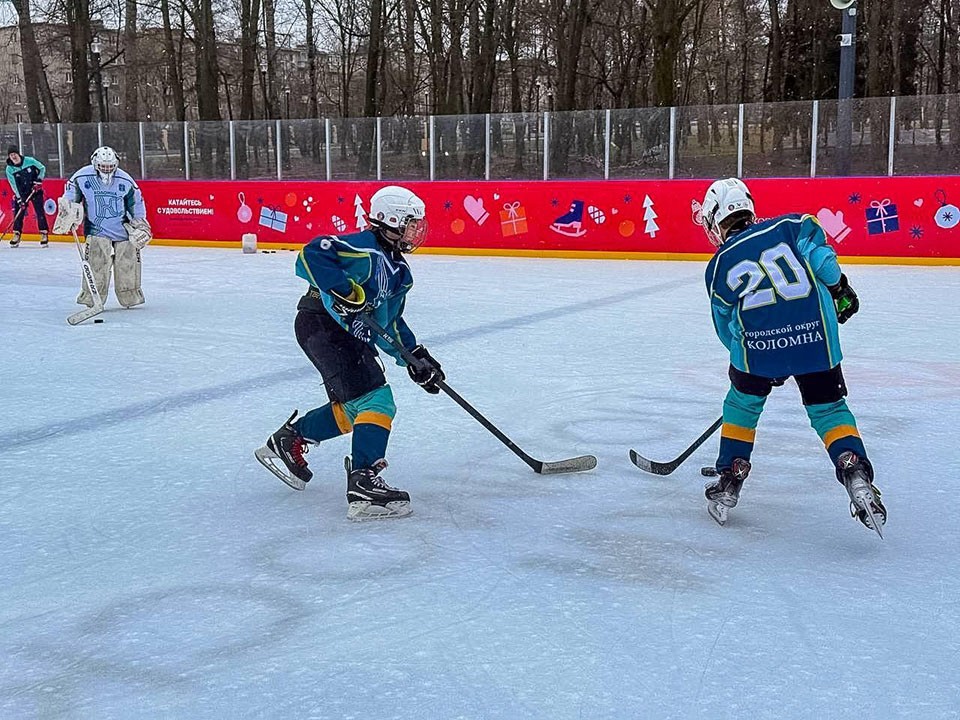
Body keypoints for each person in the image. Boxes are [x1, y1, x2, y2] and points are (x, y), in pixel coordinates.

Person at [700, 177, 885, 536]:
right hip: (816, 342)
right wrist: (840, 288)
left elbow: (725, 327)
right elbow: (823, 260)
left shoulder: (719, 264)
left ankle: (731, 476)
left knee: (742, 405)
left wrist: (752, 360)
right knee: (829, 408)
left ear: (716, 220)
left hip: (759, 351)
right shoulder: (793, 225)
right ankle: (854, 469)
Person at [255, 185, 444, 521]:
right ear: (392, 219)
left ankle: (291, 438)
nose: (417, 230)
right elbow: (312, 254)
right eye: (412, 223)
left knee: (359, 405)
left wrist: (415, 357)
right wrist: (342, 290)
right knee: (377, 401)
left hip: (343, 334)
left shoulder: (400, 273)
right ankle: (364, 482)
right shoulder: (363, 247)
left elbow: (391, 322)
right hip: (321, 325)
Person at [52, 146, 152, 309]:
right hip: (96, 230)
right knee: (96, 263)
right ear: (95, 163)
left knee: (127, 264)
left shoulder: (125, 180)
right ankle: (92, 298)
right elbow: (70, 197)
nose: (107, 169)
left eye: (110, 166)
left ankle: (129, 297)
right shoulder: (82, 177)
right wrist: (68, 212)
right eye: (103, 166)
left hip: (124, 230)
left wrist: (140, 224)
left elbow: (136, 203)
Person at [5, 145, 48, 247]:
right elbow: (13, 185)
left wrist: (39, 180)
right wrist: (19, 198)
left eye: (14, 154)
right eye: (11, 155)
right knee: (18, 213)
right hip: (21, 193)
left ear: (18, 153)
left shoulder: (30, 161)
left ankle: (44, 233)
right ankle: (16, 234)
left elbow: (42, 168)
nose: (13, 156)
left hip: (35, 191)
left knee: (40, 212)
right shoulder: (9, 169)